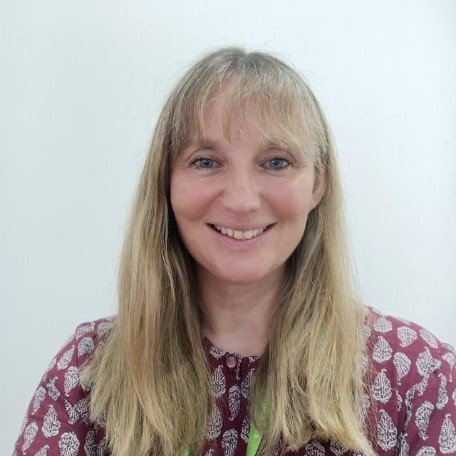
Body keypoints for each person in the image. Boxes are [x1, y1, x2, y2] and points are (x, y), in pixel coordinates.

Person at [14, 48, 456, 456]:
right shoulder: (88, 373)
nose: (242, 200)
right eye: (206, 161)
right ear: (166, 183)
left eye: (276, 162)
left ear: (318, 183)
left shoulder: (419, 377)